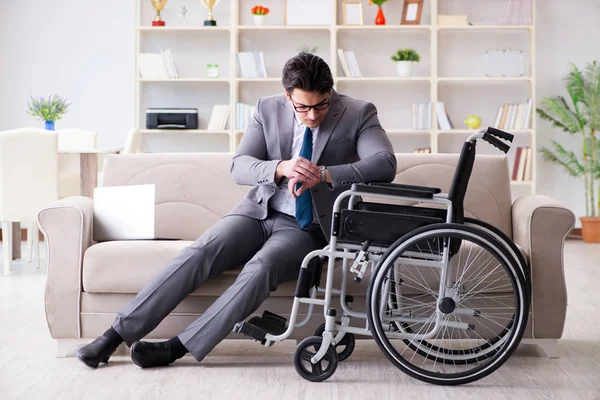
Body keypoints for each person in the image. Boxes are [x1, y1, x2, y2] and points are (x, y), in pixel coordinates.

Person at [76, 52, 397, 369]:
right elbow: (240, 166)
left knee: (262, 267)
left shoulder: (357, 113)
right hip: (258, 211)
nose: (312, 115)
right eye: (303, 107)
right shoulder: (266, 109)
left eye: (320, 105)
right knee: (199, 252)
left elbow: (384, 163)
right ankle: (113, 336)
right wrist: (281, 167)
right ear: (288, 96)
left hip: (307, 227)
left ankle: (179, 346)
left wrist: (325, 174)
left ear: (330, 92)